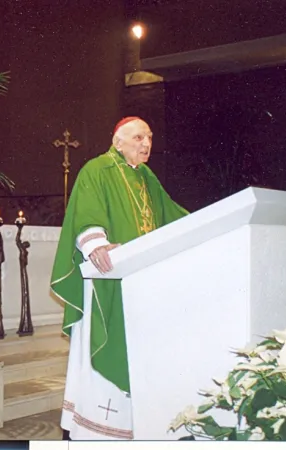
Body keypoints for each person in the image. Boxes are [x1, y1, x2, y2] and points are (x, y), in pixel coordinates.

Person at [51, 117, 189, 440]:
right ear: (118, 142)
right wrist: (96, 243)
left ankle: (134, 429)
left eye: (150, 138)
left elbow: (173, 215)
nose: (147, 144)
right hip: (107, 277)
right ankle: (96, 433)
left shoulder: (148, 179)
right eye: (139, 137)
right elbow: (86, 213)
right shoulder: (97, 170)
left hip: (142, 286)